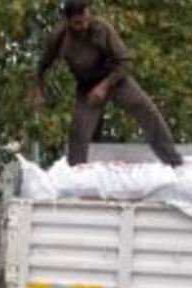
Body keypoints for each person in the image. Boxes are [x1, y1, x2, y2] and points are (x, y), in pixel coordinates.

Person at [31, 0, 183, 167]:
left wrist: (104, 86)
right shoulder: (58, 38)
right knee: (78, 132)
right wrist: (37, 90)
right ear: (67, 21)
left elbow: (125, 61)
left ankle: (173, 161)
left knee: (148, 112)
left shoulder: (102, 28)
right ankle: (76, 174)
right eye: (78, 23)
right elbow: (41, 66)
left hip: (116, 79)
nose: (84, 26)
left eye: (86, 20)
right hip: (87, 87)